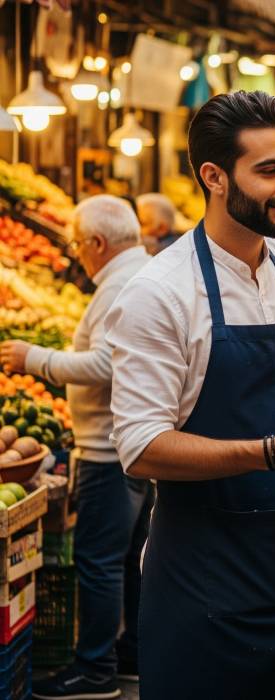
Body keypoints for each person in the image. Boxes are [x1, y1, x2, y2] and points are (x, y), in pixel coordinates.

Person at [105, 91, 275, 700]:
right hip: (204, 575)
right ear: (214, 177)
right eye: (269, 170)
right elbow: (141, 448)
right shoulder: (159, 294)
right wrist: (270, 453)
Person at [3, 196, 152, 700]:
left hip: (109, 450)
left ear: (96, 243)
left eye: (76, 244)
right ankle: (130, 653)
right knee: (126, 557)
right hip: (127, 441)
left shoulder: (122, 285)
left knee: (99, 561)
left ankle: (95, 670)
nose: (76, 254)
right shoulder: (137, 273)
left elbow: (104, 365)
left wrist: (34, 357)